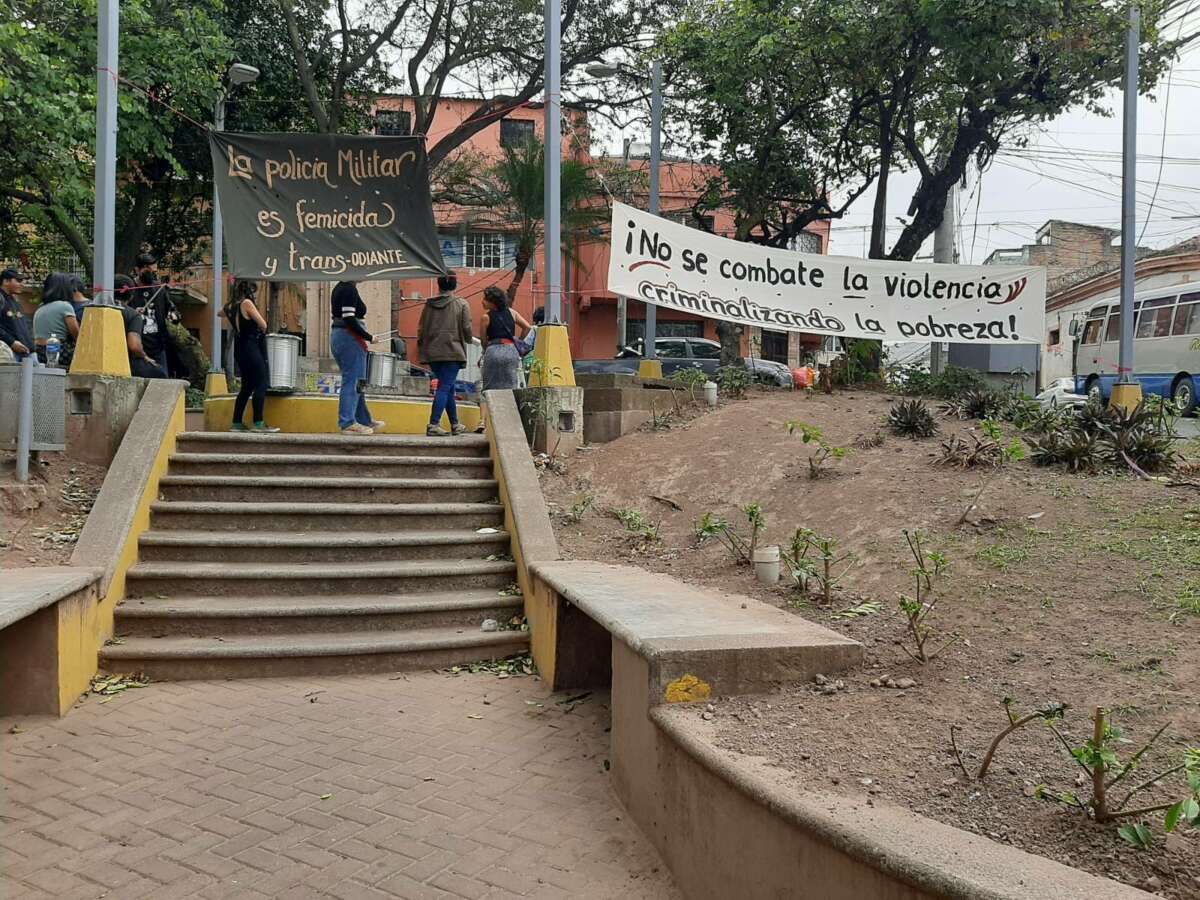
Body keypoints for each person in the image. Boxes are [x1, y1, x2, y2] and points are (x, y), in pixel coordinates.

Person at [417, 274, 473, 437]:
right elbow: (467, 327)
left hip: (433, 351)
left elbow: (421, 328)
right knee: (444, 387)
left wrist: (423, 346)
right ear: (455, 285)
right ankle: (434, 424)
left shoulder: (429, 305)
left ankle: (455, 424)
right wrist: (468, 339)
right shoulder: (461, 304)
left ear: (438, 284)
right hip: (452, 351)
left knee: (448, 387)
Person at [330, 280, 384, 435]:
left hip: (342, 336)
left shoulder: (341, 287)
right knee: (353, 380)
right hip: (349, 338)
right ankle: (347, 422)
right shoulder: (348, 289)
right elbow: (349, 318)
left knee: (359, 381)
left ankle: (363, 419)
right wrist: (369, 337)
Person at [224, 280, 278, 433]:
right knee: (261, 383)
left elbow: (219, 313)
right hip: (251, 348)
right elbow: (263, 324)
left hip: (239, 349)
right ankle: (259, 422)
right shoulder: (246, 303)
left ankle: (236, 422)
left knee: (246, 387)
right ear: (248, 290)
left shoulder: (229, 306)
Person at [130, 253, 176, 377]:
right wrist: (133, 313)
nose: (151, 274)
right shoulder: (129, 289)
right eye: (147, 271)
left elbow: (171, 308)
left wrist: (173, 315)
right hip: (136, 348)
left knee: (163, 382)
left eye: (154, 272)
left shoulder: (159, 289)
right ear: (137, 270)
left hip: (157, 347)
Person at [114, 274, 166, 378]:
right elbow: (134, 346)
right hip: (127, 364)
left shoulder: (98, 310)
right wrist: (145, 357)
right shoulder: (133, 315)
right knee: (161, 374)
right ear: (131, 295)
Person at [480, 286, 530, 391]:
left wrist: (485, 351)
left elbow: (483, 341)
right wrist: (517, 342)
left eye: (485, 299)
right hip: (511, 351)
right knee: (511, 385)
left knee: (490, 387)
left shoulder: (486, 317)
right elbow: (527, 327)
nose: (482, 302)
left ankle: (491, 406)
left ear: (493, 302)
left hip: (493, 351)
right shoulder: (512, 312)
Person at [33, 272, 81, 366]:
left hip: (39, 352)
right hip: (58, 351)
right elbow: (77, 335)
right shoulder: (65, 306)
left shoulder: (40, 307)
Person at [0, 268, 34, 361]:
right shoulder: (1, 298)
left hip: (26, 353)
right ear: (6, 281)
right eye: (18, 280)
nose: (22, 284)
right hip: (8, 354)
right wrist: (12, 342)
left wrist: (32, 347)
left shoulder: (14, 300)